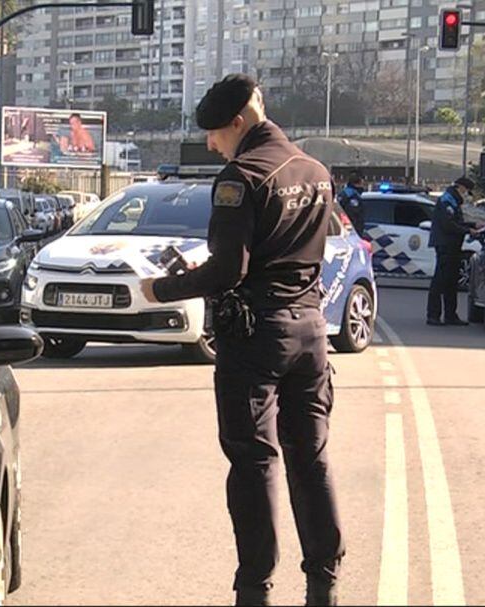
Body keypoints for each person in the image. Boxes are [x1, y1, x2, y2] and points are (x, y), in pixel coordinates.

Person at [138, 74, 344, 606]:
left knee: (253, 464)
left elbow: (229, 270)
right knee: (311, 459)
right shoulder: (316, 172)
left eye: (213, 133)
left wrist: (162, 288)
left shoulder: (241, 177)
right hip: (310, 332)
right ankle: (324, 585)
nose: (210, 144)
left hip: (255, 339)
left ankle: (255, 590)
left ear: (237, 123)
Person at [426, 176, 484, 326]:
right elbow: (448, 225)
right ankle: (433, 315)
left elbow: (456, 222)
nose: (466, 195)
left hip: (453, 245)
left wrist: (472, 224)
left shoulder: (452, 200)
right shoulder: (447, 201)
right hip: (445, 245)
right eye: (467, 191)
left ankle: (451, 315)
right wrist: (469, 231)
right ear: (461, 188)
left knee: (451, 281)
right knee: (440, 281)